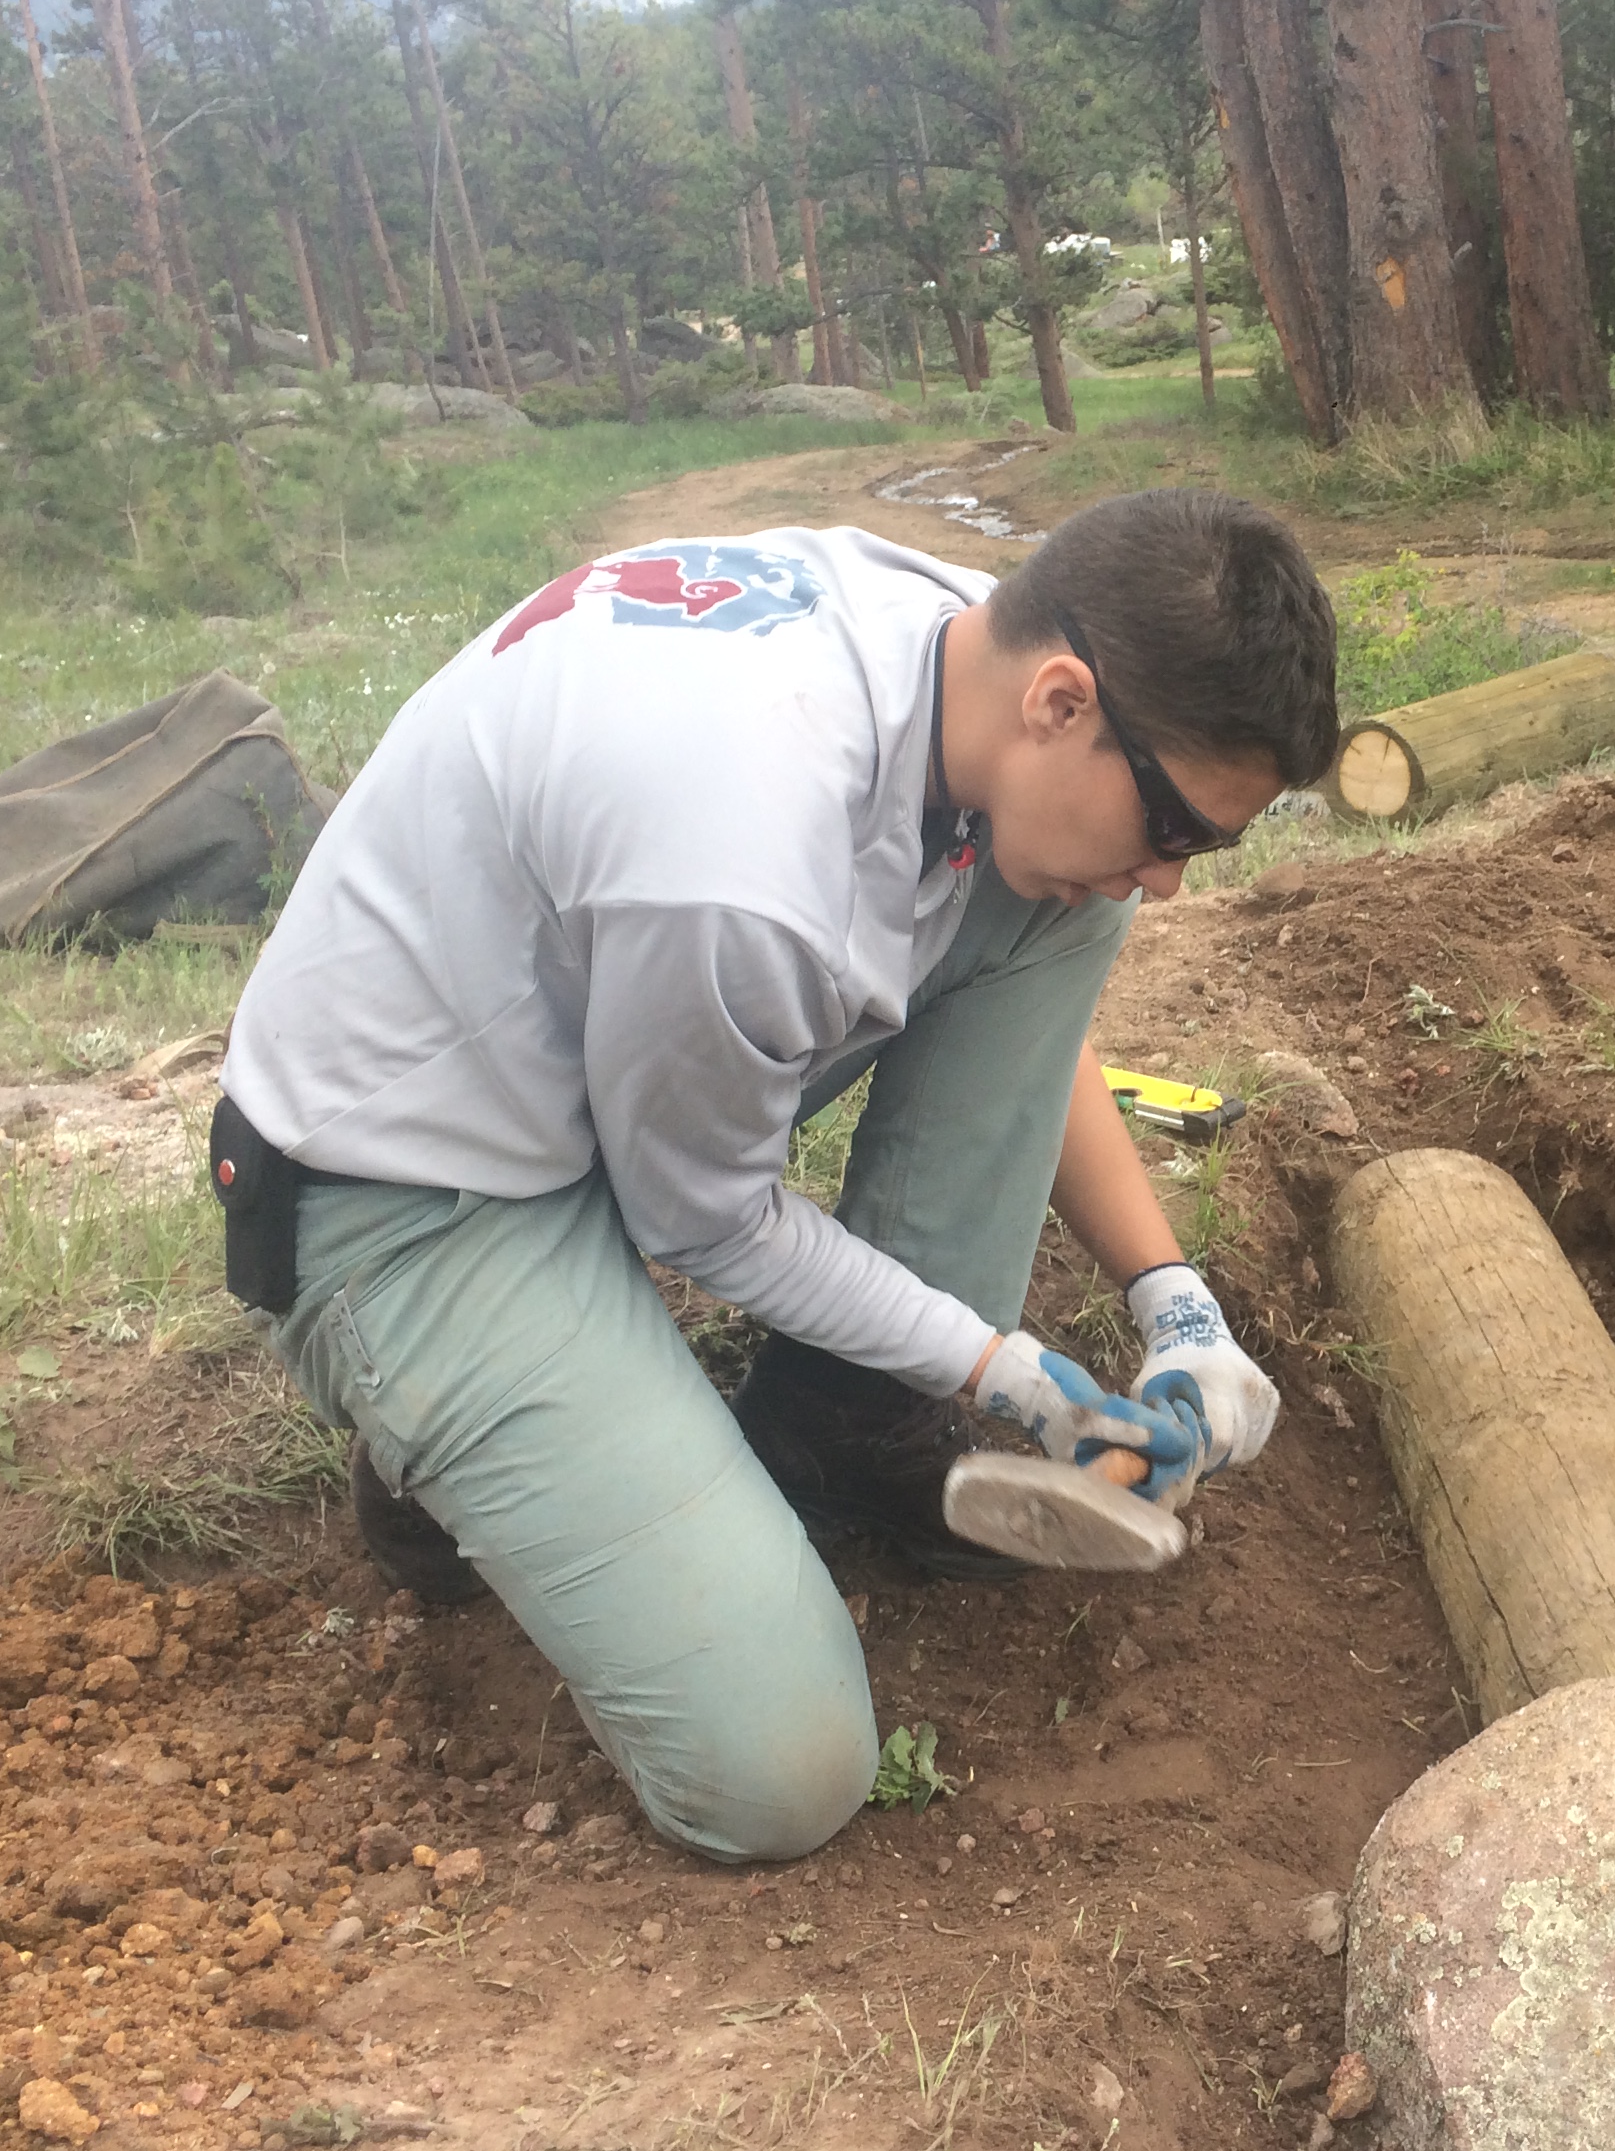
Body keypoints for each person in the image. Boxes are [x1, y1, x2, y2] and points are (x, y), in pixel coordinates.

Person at [210, 490, 1337, 1862]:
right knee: (780, 1772)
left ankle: (846, 1425)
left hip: (584, 1042)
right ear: (1060, 699)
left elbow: (1034, 1004)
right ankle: (446, 1451)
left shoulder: (960, 645)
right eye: (1176, 830)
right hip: (405, 1188)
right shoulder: (745, 857)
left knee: (1054, 904)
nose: (1169, 883)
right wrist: (1007, 1373)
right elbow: (709, 1218)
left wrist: (1177, 1304)